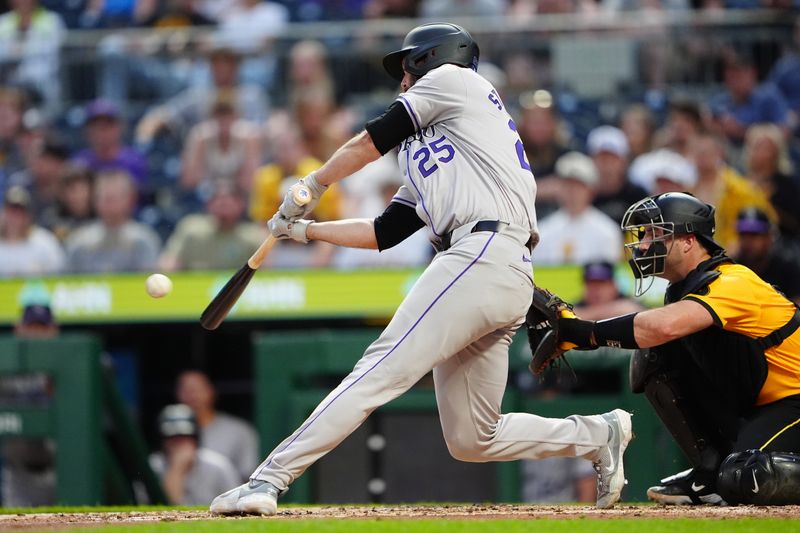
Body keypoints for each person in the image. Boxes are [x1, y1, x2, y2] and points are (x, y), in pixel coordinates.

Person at [210, 22, 633, 516]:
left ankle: (266, 480)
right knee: (473, 437)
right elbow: (385, 231)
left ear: (432, 58)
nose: (402, 78)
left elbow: (372, 139)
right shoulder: (434, 143)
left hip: (481, 251)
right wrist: (305, 232)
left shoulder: (457, 81)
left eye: (407, 65)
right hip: (492, 263)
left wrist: (314, 183)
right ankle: (598, 434)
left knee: (377, 370)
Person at [544, 191, 800, 505]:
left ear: (689, 241)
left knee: (747, 477)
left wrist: (584, 332)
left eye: (655, 233)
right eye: (644, 235)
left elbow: (662, 325)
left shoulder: (733, 281)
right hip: (755, 401)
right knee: (654, 355)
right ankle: (709, 471)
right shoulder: (681, 290)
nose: (642, 244)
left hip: (793, 400)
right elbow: (658, 333)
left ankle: (724, 474)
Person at [534, 151, 623, 266]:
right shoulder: (543, 231)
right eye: (567, 186)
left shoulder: (607, 232)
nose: (572, 192)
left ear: (591, 191)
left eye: (578, 187)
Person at [64, 169, 161, 273]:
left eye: (113, 199)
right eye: (103, 198)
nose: (108, 205)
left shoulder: (144, 240)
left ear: (131, 199)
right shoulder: (79, 241)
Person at [174, 370, 260, 482]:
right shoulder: (172, 434)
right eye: (185, 390)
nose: (192, 395)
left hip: (228, 497)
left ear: (211, 391)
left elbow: (249, 477)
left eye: (197, 389)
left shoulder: (239, 430)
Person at [158, 183, 265, 272]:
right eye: (218, 200)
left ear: (241, 204)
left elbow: (268, 273)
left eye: (229, 201)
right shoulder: (191, 229)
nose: (224, 205)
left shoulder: (253, 236)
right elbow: (170, 261)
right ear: (208, 204)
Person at [149, 404, 241, 505]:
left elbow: (237, 503)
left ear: (195, 439)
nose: (179, 444)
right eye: (173, 438)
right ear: (162, 440)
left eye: (184, 437)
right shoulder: (153, 466)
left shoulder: (218, 466)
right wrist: (176, 470)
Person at [734, 207, 800, 306]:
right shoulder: (733, 269)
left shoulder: (787, 268)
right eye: (743, 235)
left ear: (768, 237)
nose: (748, 241)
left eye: (754, 235)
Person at [0, 185, 65, 277]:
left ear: (28, 216)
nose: (15, 218)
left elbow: (60, 276)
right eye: (11, 211)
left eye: (20, 213)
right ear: (3, 213)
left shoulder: (45, 242)